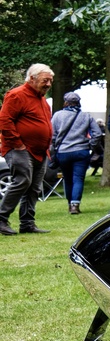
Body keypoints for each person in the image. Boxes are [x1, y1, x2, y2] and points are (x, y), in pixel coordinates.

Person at [0, 63, 55, 235]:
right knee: (23, 180)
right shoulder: (16, 95)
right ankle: (1, 219)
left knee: (34, 187)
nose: (48, 84)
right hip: (19, 149)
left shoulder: (42, 100)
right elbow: (4, 120)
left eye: (51, 81)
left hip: (40, 151)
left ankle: (27, 223)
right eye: (45, 80)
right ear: (32, 78)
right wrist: (18, 144)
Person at [51, 91, 102, 215]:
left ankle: (70, 204)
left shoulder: (57, 115)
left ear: (66, 102)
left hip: (63, 152)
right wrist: (91, 145)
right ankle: (75, 205)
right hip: (81, 151)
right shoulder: (86, 116)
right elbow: (98, 133)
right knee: (78, 178)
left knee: (67, 179)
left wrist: (55, 147)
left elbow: (52, 134)